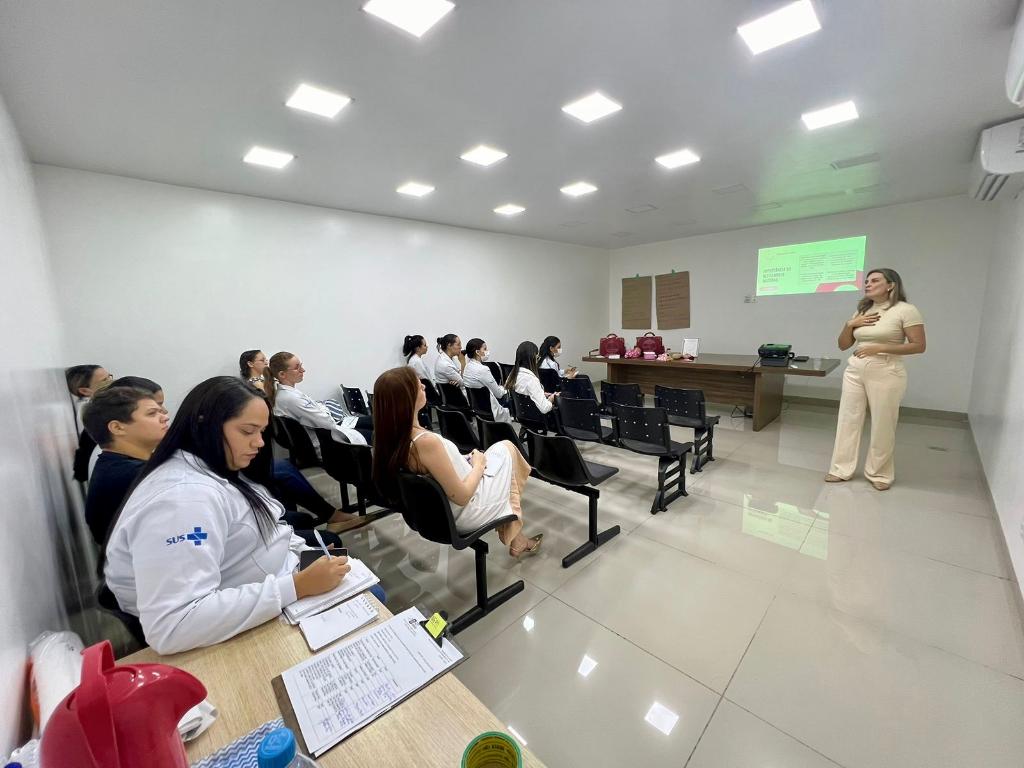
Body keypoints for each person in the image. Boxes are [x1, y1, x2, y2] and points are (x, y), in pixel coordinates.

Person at [104, 376, 354, 655]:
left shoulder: (211, 466)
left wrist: (302, 553)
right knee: (367, 602)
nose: (259, 442)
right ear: (207, 424)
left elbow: (269, 525)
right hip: (273, 591)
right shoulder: (182, 501)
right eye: (248, 431)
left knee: (353, 574)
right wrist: (297, 586)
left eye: (261, 431)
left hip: (278, 571)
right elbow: (173, 625)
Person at [372, 367, 541, 557]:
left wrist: (464, 460)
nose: (424, 387)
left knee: (501, 450)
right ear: (406, 398)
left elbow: (438, 469)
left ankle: (517, 538)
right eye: (418, 386)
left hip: (449, 508)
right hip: (468, 510)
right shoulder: (425, 443)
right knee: (508, 451)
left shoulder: (395, 439)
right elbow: (462, 496)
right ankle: (515, 534)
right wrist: (478, 465)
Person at [826, 268, 926, 490]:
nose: (868, 284)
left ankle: (879, 473)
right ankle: (841, 469)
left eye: (875, 281)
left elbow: (919, 346)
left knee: (883, 423)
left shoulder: (906, 310)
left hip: (886, 370)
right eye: (867, 281)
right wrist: (850, 324)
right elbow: (843, 345)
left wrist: (880, 347)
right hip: (855, 370)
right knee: (848, 419)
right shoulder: (863, 310)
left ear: (891, 285)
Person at [82, 386, 169, 546]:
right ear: (117, 427)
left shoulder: (117, 465)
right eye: (152, 413)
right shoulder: (131, 476)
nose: (165, 417)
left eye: (160, 411)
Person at [267, 352, 372, 454]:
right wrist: (324, 409)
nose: (303, 370)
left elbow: (320, 412)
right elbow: (328, 422)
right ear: (282, 374)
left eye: (301, 366)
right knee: (377, 434)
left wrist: (322, 409)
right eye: (297, 368)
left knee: (374, 421)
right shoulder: (290, 398)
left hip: (326, 435)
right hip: (327, 442)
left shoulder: (287, 394)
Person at [462, 338, 511, 423]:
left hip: (477, 408)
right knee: (510, 395)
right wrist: (504, 389)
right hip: (489, 408)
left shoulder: (467, 367)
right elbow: (499, 394)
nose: (487, 351)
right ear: (477, 352)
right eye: (485, 349)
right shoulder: (483, 369)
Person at [505, 340, 556, 421]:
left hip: (522, 419)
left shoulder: (512, 376)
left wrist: (541, 393)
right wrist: (552, 398)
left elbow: (525, 394)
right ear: (532, 358)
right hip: (537, 420)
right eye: (537, 357)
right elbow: (545, 408)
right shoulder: (531, 379)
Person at [66, 364, 113, 430]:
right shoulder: (93, 411)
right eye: (105, 381)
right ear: (84, 391)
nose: (112, 382)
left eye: (110, 376)